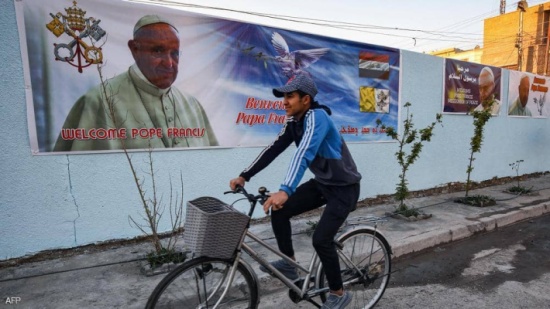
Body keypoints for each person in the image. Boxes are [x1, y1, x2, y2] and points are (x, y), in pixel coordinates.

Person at [229, 73, 361, 309]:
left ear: (306, 99)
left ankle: (339, 293)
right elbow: (273, 149)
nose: (284, 102)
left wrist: (285, 189)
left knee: (321, 240)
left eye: (290, 96)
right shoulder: (294, 122)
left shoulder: (317, 118)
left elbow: (304, 154)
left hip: (344, 189)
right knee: (280, 211)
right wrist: (244, 175)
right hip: (323, 183)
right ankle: (289, 263)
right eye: (284, 97)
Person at [54, 15, 218, 151]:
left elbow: (211, 161)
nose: (169, 63)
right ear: (134, 49)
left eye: (174, 53)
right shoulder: (98, 100)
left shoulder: (192, 104)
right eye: (158, 51)